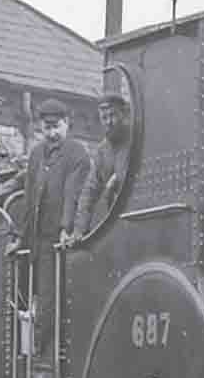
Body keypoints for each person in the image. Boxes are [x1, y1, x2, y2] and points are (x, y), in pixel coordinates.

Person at [24, 98, 92, 351]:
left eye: (56, 127)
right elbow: (30, 197)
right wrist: (20, 237)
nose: (51, 133)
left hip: (65, 240)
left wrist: (66, 227)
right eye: (46, 127)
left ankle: (51, 353)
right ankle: (40, 350)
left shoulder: (77, 154)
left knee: (58, 300)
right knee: (43, 300)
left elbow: (72, 193)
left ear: (67, 124)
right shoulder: (36, 155)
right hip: (40, 240)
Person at [69, 90, 134, 236]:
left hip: (135, 216)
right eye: (104, 118)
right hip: (114, 221)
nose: (109, 122)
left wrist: (116, 180)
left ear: (124, 115)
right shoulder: (102, 151)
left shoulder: (136, 141)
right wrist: (79, 230)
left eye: (113, 116)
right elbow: (90, 191)